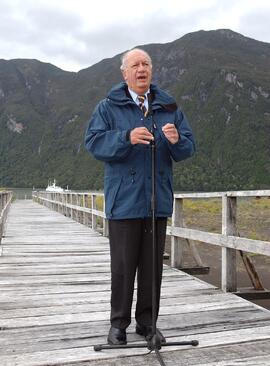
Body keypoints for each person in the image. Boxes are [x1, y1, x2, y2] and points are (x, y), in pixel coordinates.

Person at [85, 48, 195, 345]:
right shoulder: (107, 107)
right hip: (124, 202)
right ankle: (118, 325)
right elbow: (93, 143)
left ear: (152, 70)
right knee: (123, 268)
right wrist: (126, 137)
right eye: (135, 65)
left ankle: (148, 323)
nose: (141, 69)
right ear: (125, 73)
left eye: (146, 64)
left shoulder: (169, 107)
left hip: (156, 201)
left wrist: (176, 140)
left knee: (152, 268)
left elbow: (188, 148)